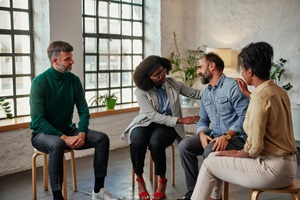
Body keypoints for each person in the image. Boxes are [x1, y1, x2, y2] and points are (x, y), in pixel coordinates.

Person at [190, 41, 298, 200]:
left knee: (209, 163)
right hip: (288, 166)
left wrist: (237, 153)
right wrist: (248, 93)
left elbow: (254, 147)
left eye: (241, 68)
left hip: (270, 170)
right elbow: (265, 105)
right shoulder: (277, 91)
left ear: (250, 71)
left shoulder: (260, 98)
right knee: (214, 156)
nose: (240, 72)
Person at [30, 41, 118, 200]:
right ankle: (58, 197)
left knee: (101, 139)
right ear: (55, 61)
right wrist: (63, 137)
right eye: (67, 59)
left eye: (71, 57)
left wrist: (82, 133)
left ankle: (98, 191)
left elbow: (83, 110)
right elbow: (37, 120)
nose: (72, 61)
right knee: (57, 143)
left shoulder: (74, 81)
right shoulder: (39, 83)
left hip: (68, 129)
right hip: (41, 134)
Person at [121, 55, 201, 200]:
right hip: (145, 122)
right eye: (157, 76)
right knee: (137, 142)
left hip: (168, 125)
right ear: (147, 78)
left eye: (163, 72)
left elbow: (196, 93)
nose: (162, 76)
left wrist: (218, 88)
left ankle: (162, 181)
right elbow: (152, 115)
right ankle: (140, 180)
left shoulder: (174, 84)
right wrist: (181, 119)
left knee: (156, 143)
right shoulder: (141, 91)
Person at [177, 52, 249, 200]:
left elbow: (245, 117)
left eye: (200, 67)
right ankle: (194, 193)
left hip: (236, 138)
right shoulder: (205, 93)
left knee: (210, 149)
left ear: (211, 66)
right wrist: (202, 134)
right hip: (215, 136)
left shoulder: (233, 86)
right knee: (185, 146)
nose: (198, 71)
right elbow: (203, 119)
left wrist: (227, 136)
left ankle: (214, 196)